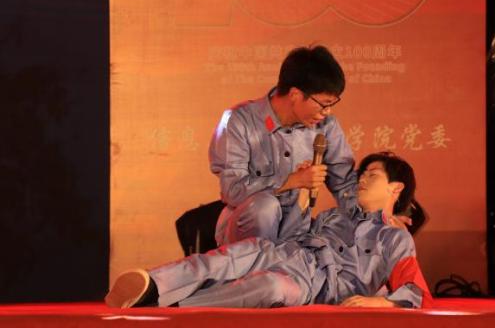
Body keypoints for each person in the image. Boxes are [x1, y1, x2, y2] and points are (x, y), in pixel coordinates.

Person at [105, 152, 432, 309]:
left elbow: (416, 291)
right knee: (232, 255)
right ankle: (153, 286)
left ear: (396, 188)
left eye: (372, 175)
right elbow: (290, 237)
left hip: (316, 282)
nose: (361, 180)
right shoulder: (334, 216)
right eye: (361, 174)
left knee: (269, 286)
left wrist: (382, 303)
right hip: (286, 252)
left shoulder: (394, 237)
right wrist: (301, 200)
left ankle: (176, 308)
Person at [209, 45, 356, 246]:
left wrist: (377, 220)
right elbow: (232, 190)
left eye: (332, 104)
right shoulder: (239, 120)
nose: (327, 112)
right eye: (324, 104)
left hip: (295, 230)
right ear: (295, 94)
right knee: (265, 207)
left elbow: (345, 184)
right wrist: (292, 180)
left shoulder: (326, 126)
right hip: (243, 230)